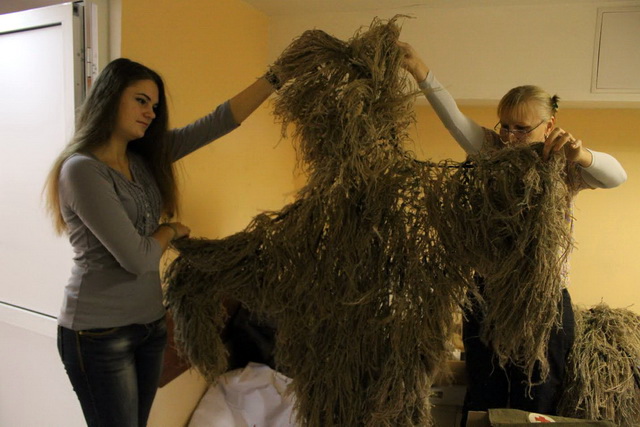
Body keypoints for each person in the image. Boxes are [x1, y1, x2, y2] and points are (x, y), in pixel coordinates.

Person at [43, 57, 285, 426]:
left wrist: (276, 77)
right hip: (98, 333)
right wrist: (169, 230)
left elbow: (219, 121)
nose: (151, 113)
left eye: (154, 106)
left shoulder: (142, 160)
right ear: (109, 97)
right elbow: (138, 259)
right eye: (141, 100)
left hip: (151, 326)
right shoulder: (82, 170)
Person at [398, 41, 627, 422]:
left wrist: (581, 155)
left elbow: (616, 176)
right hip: (486, 297)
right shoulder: (490, 151)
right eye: (505, 125)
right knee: (484, 397)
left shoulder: (564, 165)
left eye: (522, 128)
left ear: (548, 126)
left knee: (538, 397)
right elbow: (454, 119)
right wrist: (420, 70)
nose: (510, 135)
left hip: (544, 301)